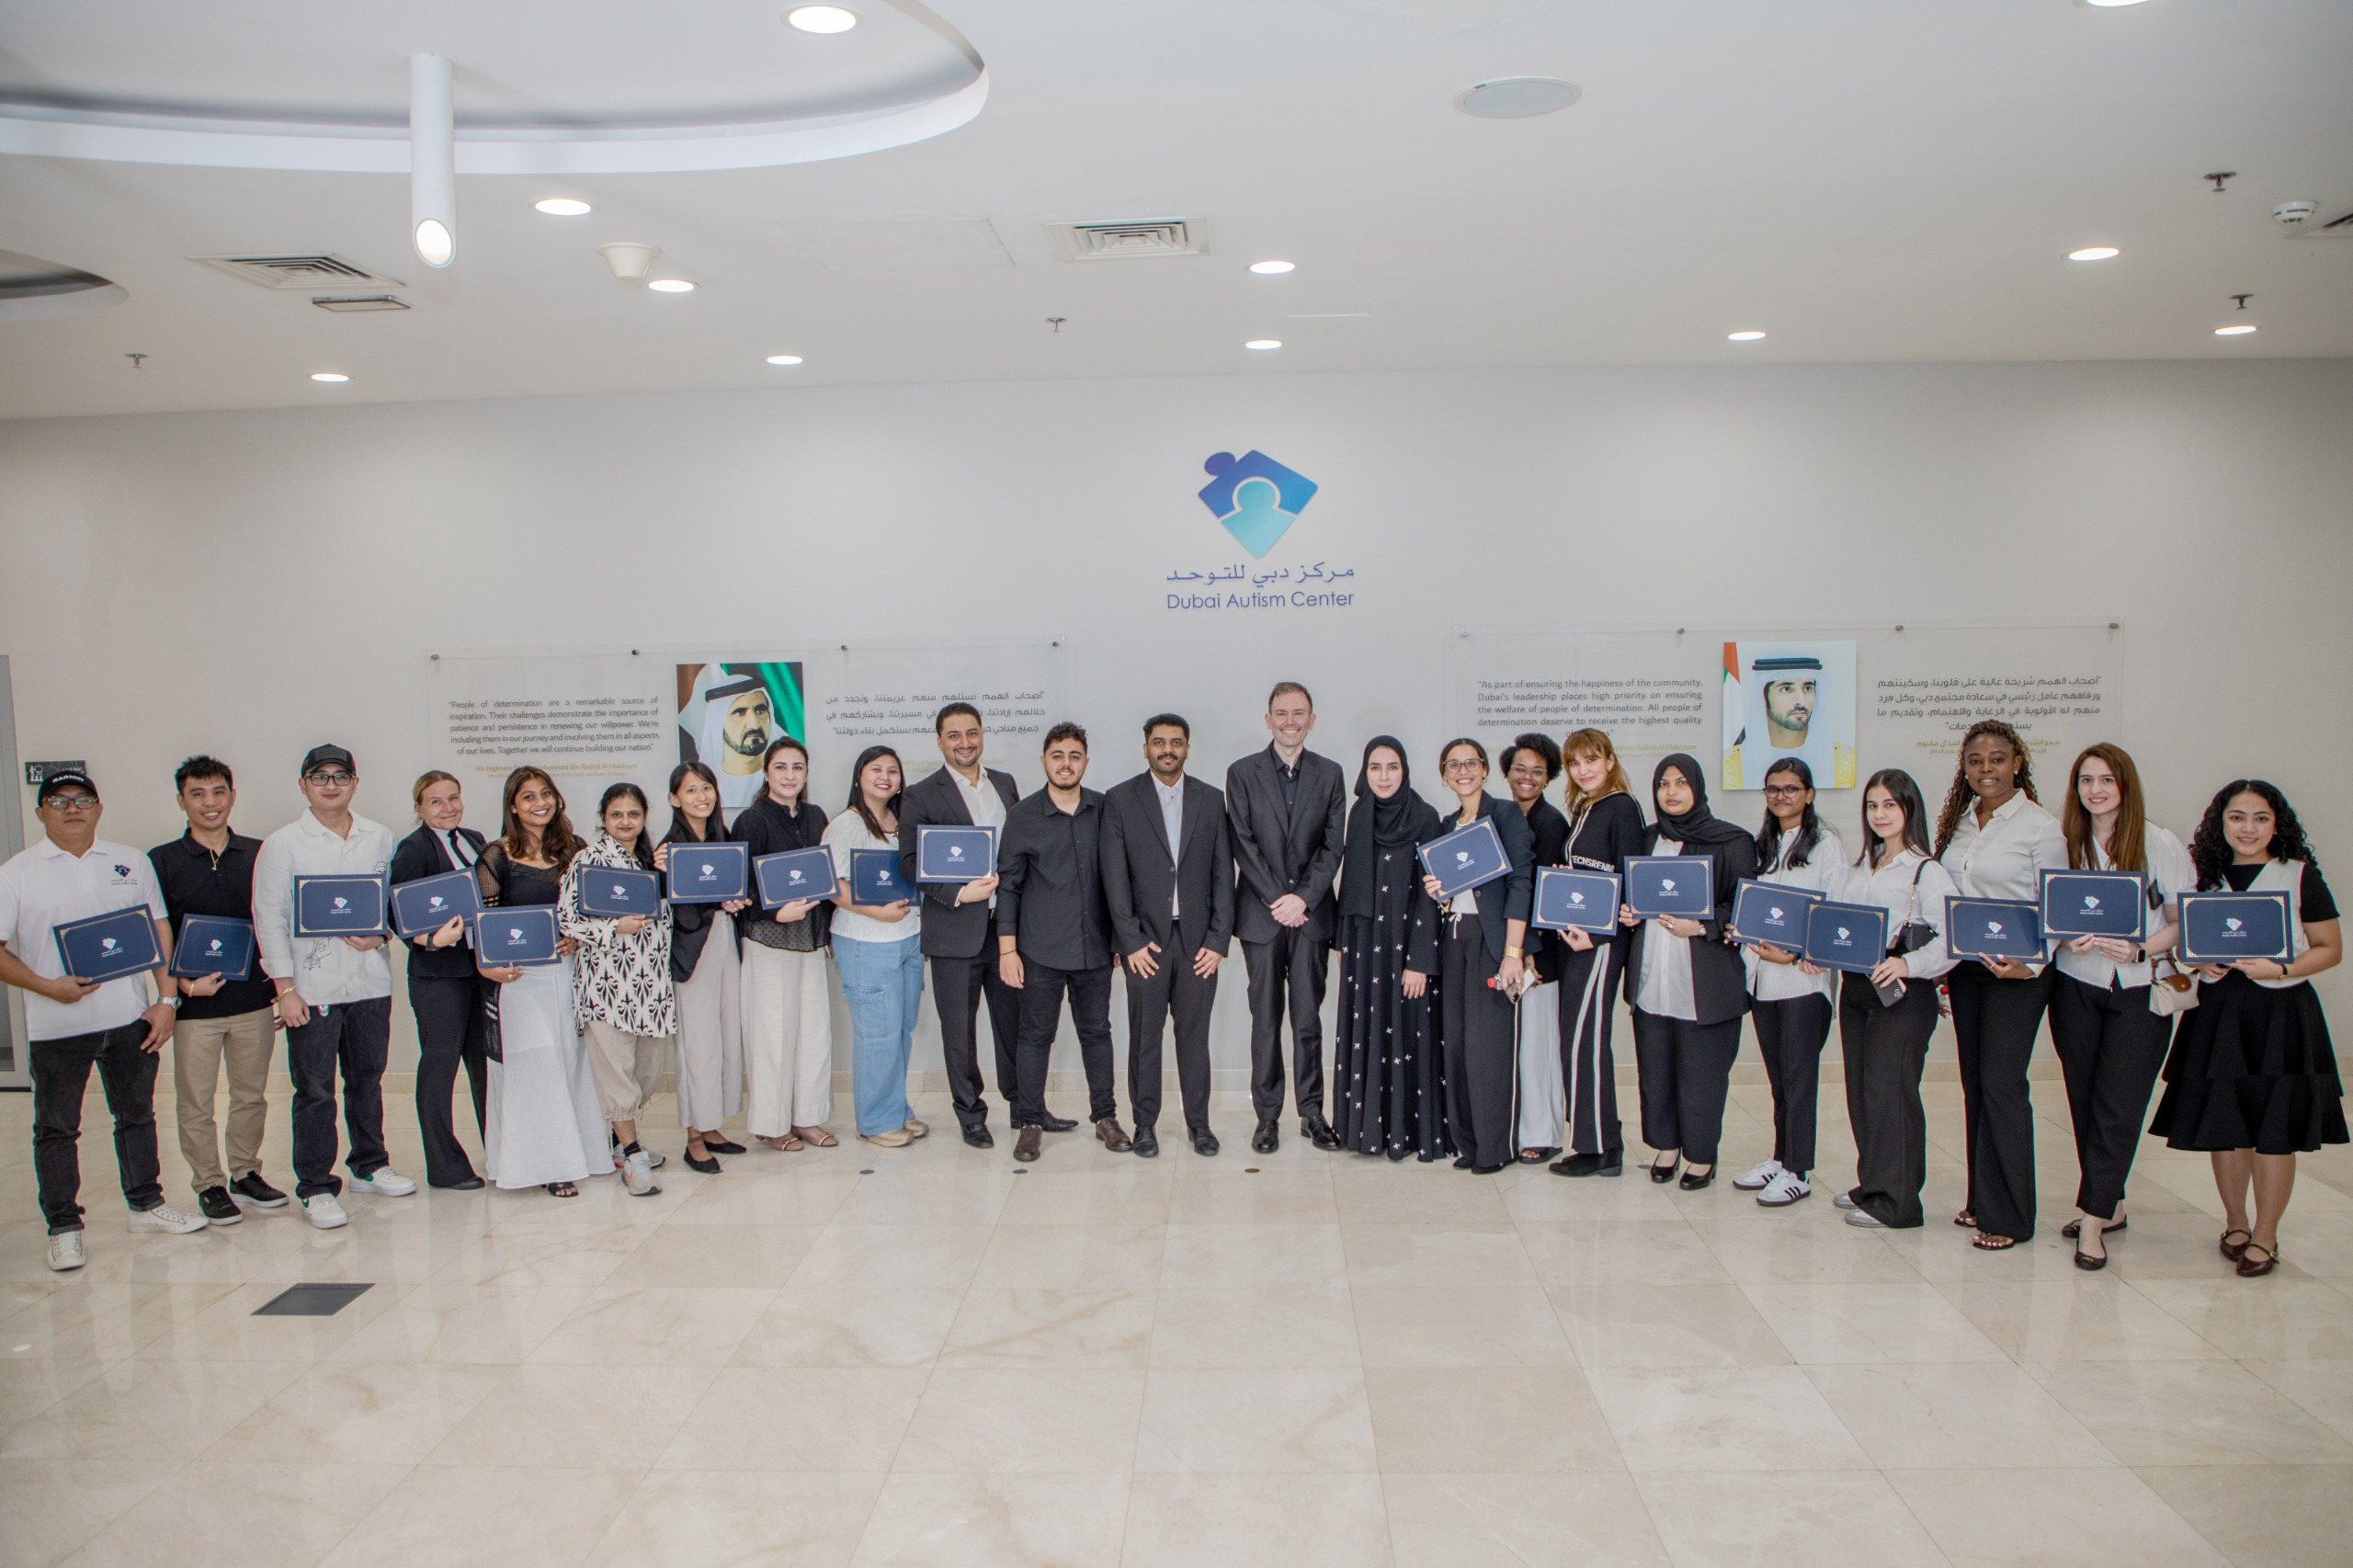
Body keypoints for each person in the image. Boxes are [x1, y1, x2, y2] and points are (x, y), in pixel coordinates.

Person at [0, 771, 205, 1271]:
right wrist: (47, 986)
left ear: (98, 808)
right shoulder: (16, 873)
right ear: (40, 812)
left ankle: (146, 1205)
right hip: (56, 1028)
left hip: (130, 1019)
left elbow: (158, 928)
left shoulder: (129, 861)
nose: (73, 808)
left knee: (136, 1116)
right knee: (57, 1128)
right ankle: (64, 1227)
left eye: (83, 799)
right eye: (59, 801)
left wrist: (166, 1000)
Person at [2151, 780, 2346, 1278]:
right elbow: (2181, 940)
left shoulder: (2298, 875)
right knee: (2227, 1124)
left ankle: (2266, 1234)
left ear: (2277, 824)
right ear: (2221, 823)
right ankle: (2235, 1222)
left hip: (2281, 1014)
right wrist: (2197, 961)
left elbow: (2330, 948)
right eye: (2237, 817)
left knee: (2274, 1128)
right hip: (2218, 1012)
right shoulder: (2203, 878)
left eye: (2261, 818)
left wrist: (2280, 969)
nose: (2248, 828)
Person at [253, 744, 415, 1230]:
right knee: (315, 1090)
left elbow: (394, 905)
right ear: (303, 785)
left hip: (370, 983)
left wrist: (382, 935)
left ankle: (369, 1164)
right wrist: (285, 989)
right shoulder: (282, 844)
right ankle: (316, 1187)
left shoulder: (379, 837)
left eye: (340, 776)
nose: (331, 785)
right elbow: (269, 918)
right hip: (311, 988)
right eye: (319, 777)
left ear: (354, 783)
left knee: (367, 1079)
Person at [2048, 744, 2196, 1267]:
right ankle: (2111, 1204)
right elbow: (2048, 914)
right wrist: (2065, 937)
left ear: (2125, 785)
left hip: (2138, 990)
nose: (2096, 790)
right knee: (2085, 1100)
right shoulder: (2066, 843)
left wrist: (2141, 949)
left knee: (2120, 1104)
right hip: (2075, 986)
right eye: (2086, 781)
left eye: (2106, 780)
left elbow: (2181, 921)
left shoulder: (2159, 843)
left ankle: (2092, 1221)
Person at [1933, 720, 2066, 1250]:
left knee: (2002, 1084)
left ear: (2017, 764)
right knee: (1975, 1082)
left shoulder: (2040, 828)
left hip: (2017, 973)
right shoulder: (1960, 823)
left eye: (1996, 759)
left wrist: (2032, 965)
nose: (1986, 769)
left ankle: (2010, 1215)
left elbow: (2057, 906)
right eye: (1975, 760)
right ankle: (1982, 1198)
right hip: (1968, 970)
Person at [149, 756, 288, 1222]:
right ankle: (208, 1183)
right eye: (198, 794)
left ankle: (245, 1173)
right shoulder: (161, 861)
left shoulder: (260, 853)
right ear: (182, 801)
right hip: (195, 1008)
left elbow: (275, 921)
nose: (210, 803)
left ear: (232, 796)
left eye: (218, 792)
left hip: (252, 1001)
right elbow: (158, 934)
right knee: (196, 1101)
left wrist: (281, 986)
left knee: (251, 1095)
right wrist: (183, 986)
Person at [898, 701, 1038, 1148]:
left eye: (972, 733)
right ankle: (970, 1114)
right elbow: (910, 862)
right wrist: (959, 893)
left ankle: (1022, 1107)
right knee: (959, 1032)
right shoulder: (921, 795)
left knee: (1014, 1024)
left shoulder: (1005, 783)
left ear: (982, 735)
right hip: (954, 930)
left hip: (1007, 930)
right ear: (939, 741)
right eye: (954, 735)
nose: (965, 742)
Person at [1619, 753, 1758, 1189]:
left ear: (1697, 788)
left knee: (1702, 1077)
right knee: (1656, 1071)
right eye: (1663, 783)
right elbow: (1631, 894)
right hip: (1652, 976)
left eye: (1681, 782)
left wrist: (1700, 926)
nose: (1671, 792)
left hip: (1705, 982)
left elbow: (1745, 906)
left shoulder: (1731, 841)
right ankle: (1666, 1146)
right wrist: (1627, 912)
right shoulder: (1647, 838)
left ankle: (1700, 1155)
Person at [1100, 714, 1235, 1157]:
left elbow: (1223, 873)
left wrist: (1218, 941)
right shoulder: (1121, 799)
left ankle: (1200, 1125)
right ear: (1145, 748)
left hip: (1199, 944)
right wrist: (1130, 941)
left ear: (1187, 748)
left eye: (1176, 742)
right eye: (1159, 742)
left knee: (1194, 1040)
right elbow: (1114, 877)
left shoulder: (1211, 800)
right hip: (1146, 944)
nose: (1167, 750)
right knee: (1145, 1039)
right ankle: (1145, 1125)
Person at [1224, 681, 1348, 1153]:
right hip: (1261, 916)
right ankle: (1268, 1116)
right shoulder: (1241, 773)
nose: (1290, 721)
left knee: (1307, 1019)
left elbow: (1333, 845)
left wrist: (1303, 899)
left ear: (1312, 720)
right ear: (1268, 719)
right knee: (1265, 1020)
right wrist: (1281, 898)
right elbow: (1242, 842)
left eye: (1299, 713)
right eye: (1281, 713)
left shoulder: (1331, 773)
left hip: (1311, 917)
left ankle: (1312, 1113)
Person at [1836, 769, 1958, 1230]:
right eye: (1873, 805)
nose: (1880, 814)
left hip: (1903, 995)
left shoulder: (1927, 871)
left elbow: (1953, 939)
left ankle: (1898, 1203)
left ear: (1909, 808)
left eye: (1890, 804)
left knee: (1892, 1093)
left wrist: (1909, 964)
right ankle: (1873, 1184)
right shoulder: (1862, 865)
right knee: (1862, 1091)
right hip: (1857, 989)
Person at [474, 767, 606, 1197]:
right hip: (520, 981)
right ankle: (547, 1164)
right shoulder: (495, 856)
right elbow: (484, 921)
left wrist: (576, 936)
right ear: (513, 806)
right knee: (536, 1065)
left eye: (545, 794)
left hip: (569, 974)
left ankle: (581, 1154)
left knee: (571, 1060)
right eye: (528, 797)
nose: (539, 803)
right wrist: (487, 964)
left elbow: (592, 909)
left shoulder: (575, 849)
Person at [998, 723, 1127, 1163]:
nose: (1066, 763)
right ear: (1043, 761)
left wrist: (1120, 938)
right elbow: (1009, 886)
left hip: (1096, 949)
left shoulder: (1106, 809)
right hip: (1039, 951)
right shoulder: (1022, 816)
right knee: (1035, 1036)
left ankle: (1106, 1118)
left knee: (1097, 1033)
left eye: (1074, 755)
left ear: (1086, 761)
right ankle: (1031, 1123)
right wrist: (1007, 950)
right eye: (1057, 755)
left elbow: (1120, 880)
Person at [1420, 738, 1534, 1175]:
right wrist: (1438, 892)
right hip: (1454, 939)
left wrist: (1513, 953)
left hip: (1493, 942)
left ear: (1485, 769)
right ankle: (1467, 1143)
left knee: (1488, 1047)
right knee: (1457, 1043)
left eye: (1471, 763)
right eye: (1453, 765)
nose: (1462, 771)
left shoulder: (1505, 815)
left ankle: (1495, 1148)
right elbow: (1450, 890)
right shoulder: (1447, 824)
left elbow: (1521, 882)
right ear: (1444, 775)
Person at [1733, 757, 1844, 1210]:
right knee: (1779, 1079)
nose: (1781, 796)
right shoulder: (1763, 845)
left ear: (1809, 794)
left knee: (1799, 1080)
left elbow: (1835, 911)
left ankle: (1798, 1171)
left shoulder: (1827, 846)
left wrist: (1796, 954)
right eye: (1773, 789)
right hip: (1763, 982)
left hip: (1803, 984)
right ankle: (1781, 1159)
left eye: (1791, 789)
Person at [559, 783, 676, 1197]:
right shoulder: (588, 860)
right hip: (607, 988)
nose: (625, 822)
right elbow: (566, 919)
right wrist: (613, 927)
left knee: (647, 1074)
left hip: (651, 988)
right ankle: (632, 1155)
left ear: (644, 818)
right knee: (616, 1076)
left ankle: (617, 1143)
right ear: (603, 819)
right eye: (616, 815)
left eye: (633, 814)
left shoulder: (652, 861)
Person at [1335, 738, 1447, 1161]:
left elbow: (1431, 896)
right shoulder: (1359, 814)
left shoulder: (1425, 817)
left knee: (1408, 1031)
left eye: (1392, 767)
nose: (1383, 777)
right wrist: (1344, 945)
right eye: (1375, 768)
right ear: (1364, 772)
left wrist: (1419, 961)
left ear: (1405, 771)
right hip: (1364, 945)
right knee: (1366, 1030)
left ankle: (1407, 1131)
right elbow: (1349, 884)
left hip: (1406, 946)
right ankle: (1365, 1132)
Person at [1549, 730, 1647, 1179]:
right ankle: (1603, 1140)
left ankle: (1597, 1148)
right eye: (1575, 763)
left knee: (1584, 1042)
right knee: (1578, 1039)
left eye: (1591, 760)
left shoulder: (1621, 807)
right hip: (1577, 941)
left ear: (1609, 761)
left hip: (1600, 945)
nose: (1583, 769)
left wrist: (1600, 936)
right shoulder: (1585, 808)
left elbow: (1629, 881)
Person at [388, 769, 492, 1190]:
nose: (447, 807)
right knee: (440, 1066)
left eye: (453, 798)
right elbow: (396, 912)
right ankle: (445, 1167)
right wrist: (431, 940)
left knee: (485, 1067)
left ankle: (500, 1152)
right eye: (436, 801)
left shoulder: (475, 839)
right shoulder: (413, 849)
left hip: (478, 971)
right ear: (419, 808)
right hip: (438, 977)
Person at [733, 737, 835, 1151]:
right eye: (781, 767)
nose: (789, 775)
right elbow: (740, 888)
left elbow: (826, 878)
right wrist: (775, 913)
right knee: (773, 1036)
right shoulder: (751, 820)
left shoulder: (816, 816)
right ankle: (772, 1124)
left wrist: (827, 933)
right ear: (766, 773)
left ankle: (806, 1117)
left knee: (814, 1033)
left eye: (797, 767)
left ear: (806, 773)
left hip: (810, 941)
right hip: (769, 941)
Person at [825, 746, 927, 1149]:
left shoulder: (902, 822)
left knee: (900, 1031)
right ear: (859, 777)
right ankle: (875, 1120)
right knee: (878, 1034)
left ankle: (895, 1109)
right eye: (876, 770)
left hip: (908, 940)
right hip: (865, 942)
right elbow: (831, 884)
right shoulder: (846, 825)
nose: (885, 777)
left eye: (892, 771)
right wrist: (877, 913)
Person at [657, 762, 750, 1173]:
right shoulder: (667, 849)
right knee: (697, 1044)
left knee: (726, 1035)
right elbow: (672, 906)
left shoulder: (721, 837)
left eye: (707, 788)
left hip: (724, 942)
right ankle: (694, 1137)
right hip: (691, 951)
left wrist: (736, 899)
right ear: (674, 798)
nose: (702, 797)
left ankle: (712, 1127)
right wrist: (716, 900)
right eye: (691, 790)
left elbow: (735, 887)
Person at [1499, 733, 1570, 1162]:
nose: (1527, 778)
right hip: (1513, 948)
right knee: (1517, 1046)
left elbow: (1544, 891)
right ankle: (1518, 1128)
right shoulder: (1502, 815)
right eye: (1520, 769)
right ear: (1507, 772)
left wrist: (1528, 949)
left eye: (1537, 772)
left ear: (1549, 778)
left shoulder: (1551, 823)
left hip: (1541, 953)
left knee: (1539, 1044)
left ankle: (1544, 1134)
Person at [699, 673, 779, 811]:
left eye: (760, 711)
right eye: (740, 713)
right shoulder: (705, 787)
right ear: (718, 723)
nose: (754, 724)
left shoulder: (785, 780)